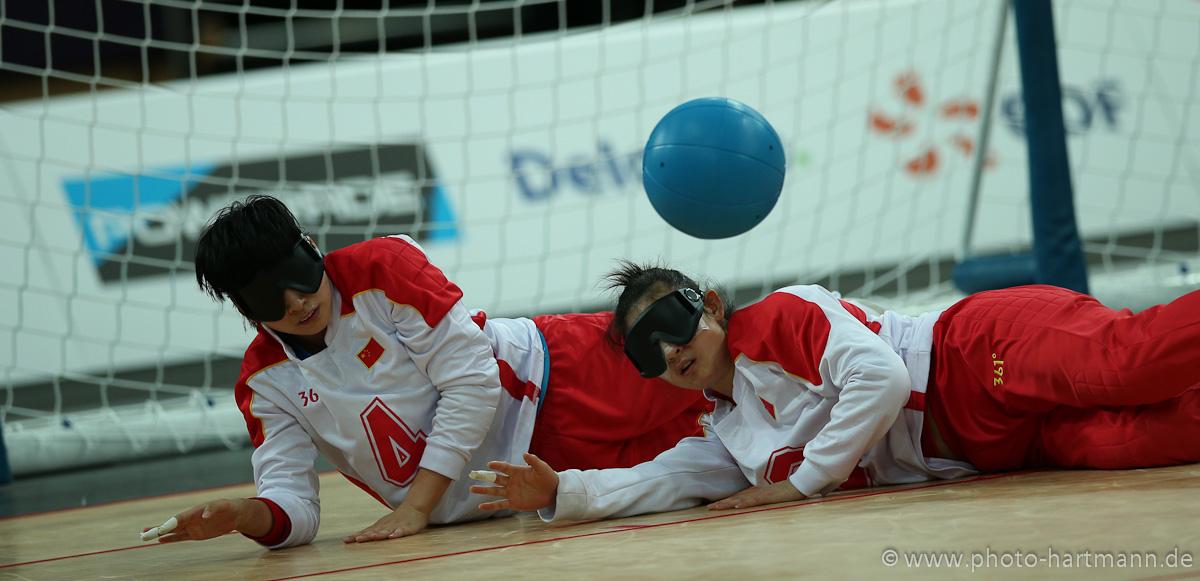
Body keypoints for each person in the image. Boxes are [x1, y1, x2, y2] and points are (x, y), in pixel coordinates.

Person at [144, 196, 709, 549]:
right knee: (735, 460)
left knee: (737, 376)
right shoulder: (263, 383)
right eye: (270, 296)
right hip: (533, 479)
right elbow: (294, 504)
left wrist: (416, 509)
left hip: (555, 378)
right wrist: (248, 515)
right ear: (244, 310)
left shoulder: (382, 269)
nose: (296, 301)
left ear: (310, 247)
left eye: (298, 274)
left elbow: (473, 380)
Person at [471, 261, 1200, 522]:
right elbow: (661, 477)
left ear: (713, 306)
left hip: (976, 355)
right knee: (1147, 439)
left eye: (673, 322)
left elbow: (881, 380)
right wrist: (564, 491)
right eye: (645, 350)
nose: (669, 349)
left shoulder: (782, 318)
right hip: (996, 447)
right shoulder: (730, 432)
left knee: (1126, 365)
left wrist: (802, 485)